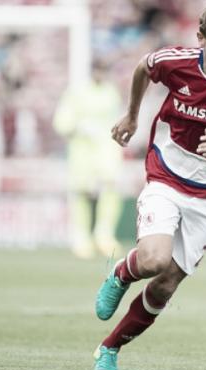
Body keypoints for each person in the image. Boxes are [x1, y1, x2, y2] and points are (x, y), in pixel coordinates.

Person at [92, 1, 206, 370]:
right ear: (202, 38)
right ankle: (121, 275)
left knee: (164, 286)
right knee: (154, 260)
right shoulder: (176, 62)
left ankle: (109, 349)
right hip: (167, 173)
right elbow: (145, 67)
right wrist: (132, 115)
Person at [53, 60, 124, 259]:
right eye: (98, 70)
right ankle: (80, 238)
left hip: (107, 151)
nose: (101, 74)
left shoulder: (112, 93)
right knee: (81, 193)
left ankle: (105, 235)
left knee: (110, 189)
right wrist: (79, 126)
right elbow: (62, 122)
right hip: (82, 151)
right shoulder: (77, 92)